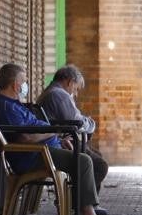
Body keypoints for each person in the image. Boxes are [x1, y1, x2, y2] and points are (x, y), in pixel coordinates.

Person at [0, 63, 113, 215]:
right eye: (24, 81)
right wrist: (54, 131)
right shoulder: (5, 107)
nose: (26, 86)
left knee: (85, 158)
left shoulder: (13, 104)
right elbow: (25, 137)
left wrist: (58, 139)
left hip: (43, 151)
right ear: (15, 85)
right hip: (34, 157)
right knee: (83, 161)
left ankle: (84, 209)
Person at [37, 64, 110, 196]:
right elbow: (76, 122)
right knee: (100, 165)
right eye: (76, 89)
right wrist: (91, 123)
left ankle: (90, 205)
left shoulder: (51, 91)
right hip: (59, 143)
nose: (75, 94)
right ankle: (81, 205)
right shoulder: (59, 94)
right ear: (70, 82)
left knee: (96, 156)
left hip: (57, 140)